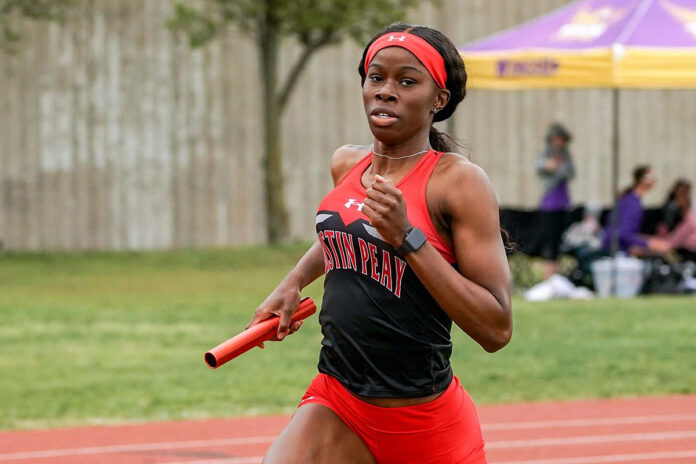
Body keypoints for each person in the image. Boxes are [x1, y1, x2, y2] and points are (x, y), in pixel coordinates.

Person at [247, 23, 512, 464]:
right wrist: (293, 280)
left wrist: (408, 239)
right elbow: (346, 232)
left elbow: (496, 328)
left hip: (424, 419)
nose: (386, 91)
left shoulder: (459, 182)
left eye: (407, 81)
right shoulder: (347, 162)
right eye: (376, 77)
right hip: (338, 400)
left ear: (438, 100)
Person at [601, 165, 671, 257]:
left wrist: (650, 240)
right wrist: (648, 243)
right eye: (651, 177)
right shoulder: (631, 203)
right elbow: (622, 233)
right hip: (615, 253)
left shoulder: (632, 200)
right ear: (641, 180)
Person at [535, 123, 575, 279]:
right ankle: (549, 278)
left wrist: (556, 168)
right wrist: (554, 167)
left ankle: (556, 277)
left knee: (559, 242)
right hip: (550, 204)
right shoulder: (547, 153)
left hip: (563, 203)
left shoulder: (566, 154)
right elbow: (542, 168)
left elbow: (570, 172)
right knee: (549, 242)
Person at [658, 179, 696, 262]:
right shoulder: (670, 208)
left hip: (684, 246)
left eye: (686, 192)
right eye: (681, 192)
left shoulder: (690, 207)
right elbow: (664, 228)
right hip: (673, 244)